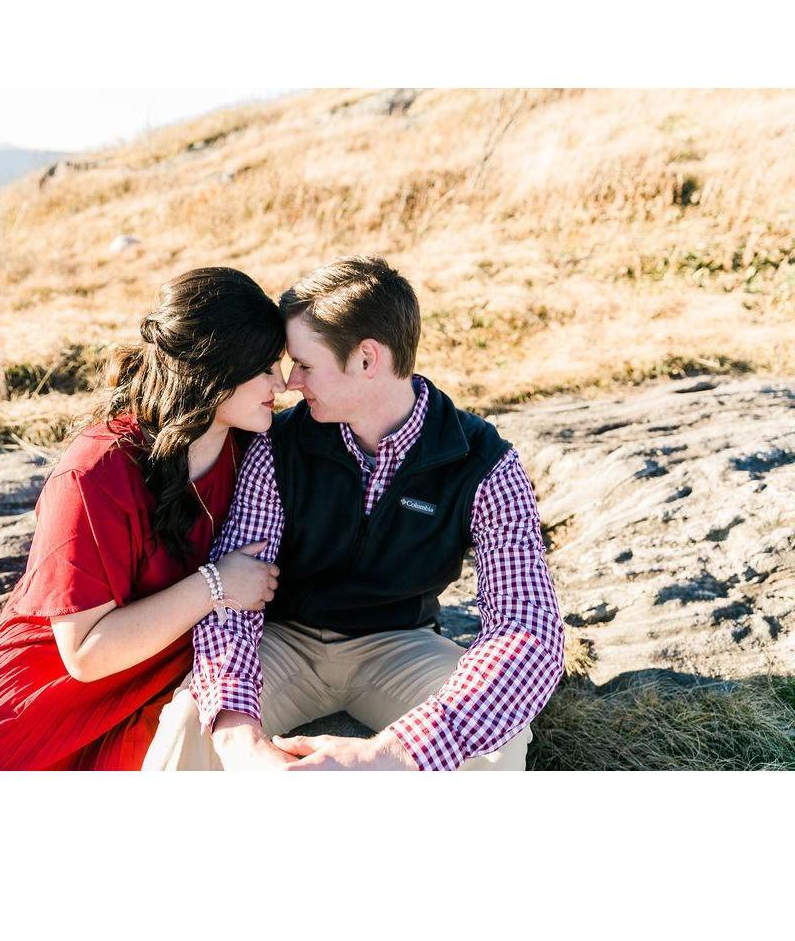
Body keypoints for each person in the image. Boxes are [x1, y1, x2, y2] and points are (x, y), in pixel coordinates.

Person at [0, 267, 287, 771]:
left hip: (172, 667)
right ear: (211, 372)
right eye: (263, 368)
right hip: (58, 681)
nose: (280, 383)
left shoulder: (252, 447)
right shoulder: (95, 472)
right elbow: (83, 654)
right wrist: (216, 584)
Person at [143, 255, 566, 772]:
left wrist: (394, 752)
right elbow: (235, 595)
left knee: (498, 744)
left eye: (304, 363)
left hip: (400, 645)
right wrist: (242, 742)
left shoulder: (485, 463)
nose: (290, 382)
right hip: (284, 640)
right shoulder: (276, 445)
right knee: (192, 720)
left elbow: (526, 627)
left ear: (367, 359)